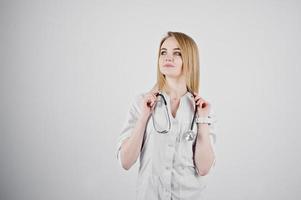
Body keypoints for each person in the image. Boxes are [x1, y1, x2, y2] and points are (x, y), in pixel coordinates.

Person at [116, 31, 217, 200]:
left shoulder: (203, 109)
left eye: (177, 53)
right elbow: (125, 162)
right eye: (163, 52)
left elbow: (204, 168)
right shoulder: (142, 102)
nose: (167, 58)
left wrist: (202, 120)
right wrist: (144, 117)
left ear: (190, 60)